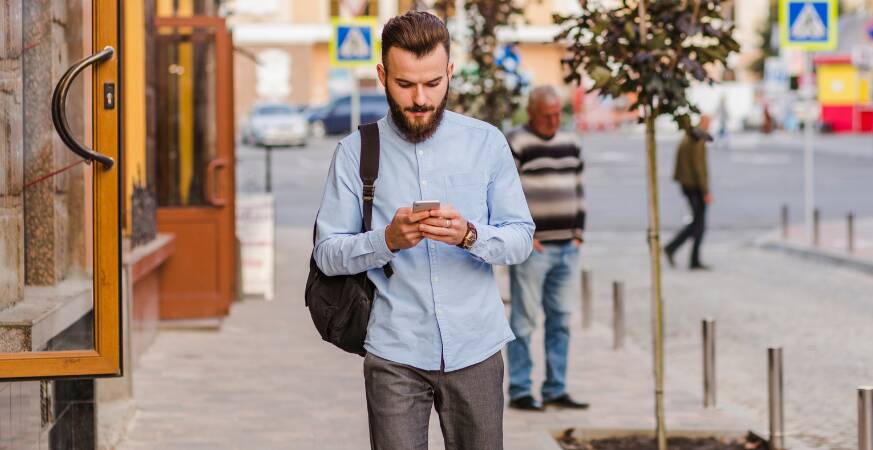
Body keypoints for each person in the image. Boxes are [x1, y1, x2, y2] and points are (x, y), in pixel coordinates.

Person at [313, 11, 534, 450]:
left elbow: (521, 238)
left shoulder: (486, 142)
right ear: (382, 75)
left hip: (477, 346)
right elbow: (327, 252)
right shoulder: (355, 151)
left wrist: (471, 235)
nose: (419, 98)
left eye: (433, 84)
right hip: (395, 349)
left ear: (449, 72)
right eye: (405, 84)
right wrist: (386, 241)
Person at [505, 86, 589, 412]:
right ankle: (521, 389)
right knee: (524, 322)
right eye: (546, 115)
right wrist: (523, 237)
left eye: (557, 114)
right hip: (533, 249)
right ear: (531, 112)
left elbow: (579, 188)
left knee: (562, 321)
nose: (553, 121)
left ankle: (556, 388)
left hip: (568, 246)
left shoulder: (572, 141)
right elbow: (504, 194)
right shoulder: (516, 142)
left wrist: (579, 232)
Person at [665, 116, 713, 270]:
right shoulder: (697, 139)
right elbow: (699, 168)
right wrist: (706, 191)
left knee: (697, 223)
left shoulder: (687, 137)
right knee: (699, 224)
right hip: (694, 187)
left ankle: (677, 250)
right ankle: (685, 255)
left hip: (687, 185)